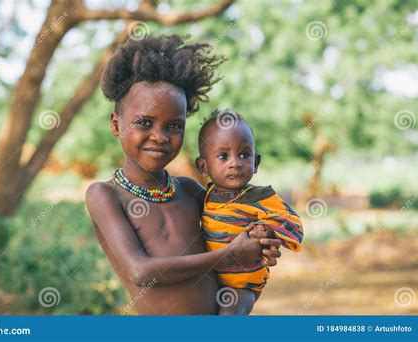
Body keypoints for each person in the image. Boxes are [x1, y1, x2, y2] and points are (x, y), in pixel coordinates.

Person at [85, 35, 283, 315]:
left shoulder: (191, 192)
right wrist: (228, 254)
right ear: (116, 125)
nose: (159, 136)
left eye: (174, 126)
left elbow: (235, 235)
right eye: (144, 122)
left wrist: (261, 242)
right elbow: (139, 271)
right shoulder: (105, 195)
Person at [195, 108, 304, 315]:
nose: (235, 163)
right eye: (223, 156)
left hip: (242, 285)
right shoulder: (204, 197)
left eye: (244, 154)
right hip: (210, 281)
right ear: (203, 167)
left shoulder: (260, 197)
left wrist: (268, 231)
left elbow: (294, 223)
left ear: (255, 163)